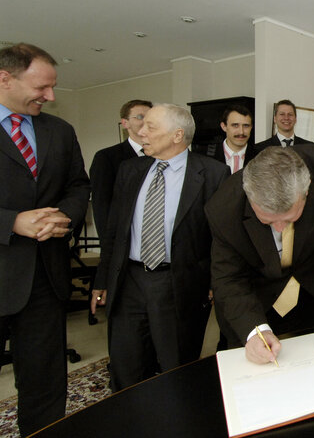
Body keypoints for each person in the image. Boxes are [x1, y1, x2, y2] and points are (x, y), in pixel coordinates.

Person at [91, 103, 229, 391]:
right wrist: (102, 278)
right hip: (128, 281)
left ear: (177, 135)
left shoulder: (213, 174)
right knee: (125, 366)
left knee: (175, 367)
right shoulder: (130, 170)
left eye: (150, 127)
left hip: (178, 283)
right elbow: (114, 231)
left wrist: (217, 281)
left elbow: (221, 236)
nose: (141, 132)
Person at [205, 145, 314, 364]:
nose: (279, 229)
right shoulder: (222, 208)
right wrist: (256, 331)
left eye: (289, 219)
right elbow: (229, 279)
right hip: (259, 299)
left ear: (306, 192)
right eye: (267, 221)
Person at [0, 43, 90, 435]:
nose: (50, 97)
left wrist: (63, 216)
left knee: (44, 382)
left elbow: (78, 185)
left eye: (53, 88)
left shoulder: (60, 131)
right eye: (42, 87)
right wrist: (11, 222)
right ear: (4, 78)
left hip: (44, 278)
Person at [89, 99, 152, 238]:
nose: (146, 121)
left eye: (150, 117)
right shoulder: (106, 157)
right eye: (140, 117)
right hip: (124, 237)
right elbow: (102, 205)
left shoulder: (162, 156)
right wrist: (109, 248)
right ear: (125, 123)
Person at [211, 104, 258, 173]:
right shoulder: (208, 157)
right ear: (224, 126)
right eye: (235, 125)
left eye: (246, 126)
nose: (241, 132)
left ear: (251, 127)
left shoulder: (260, 158)